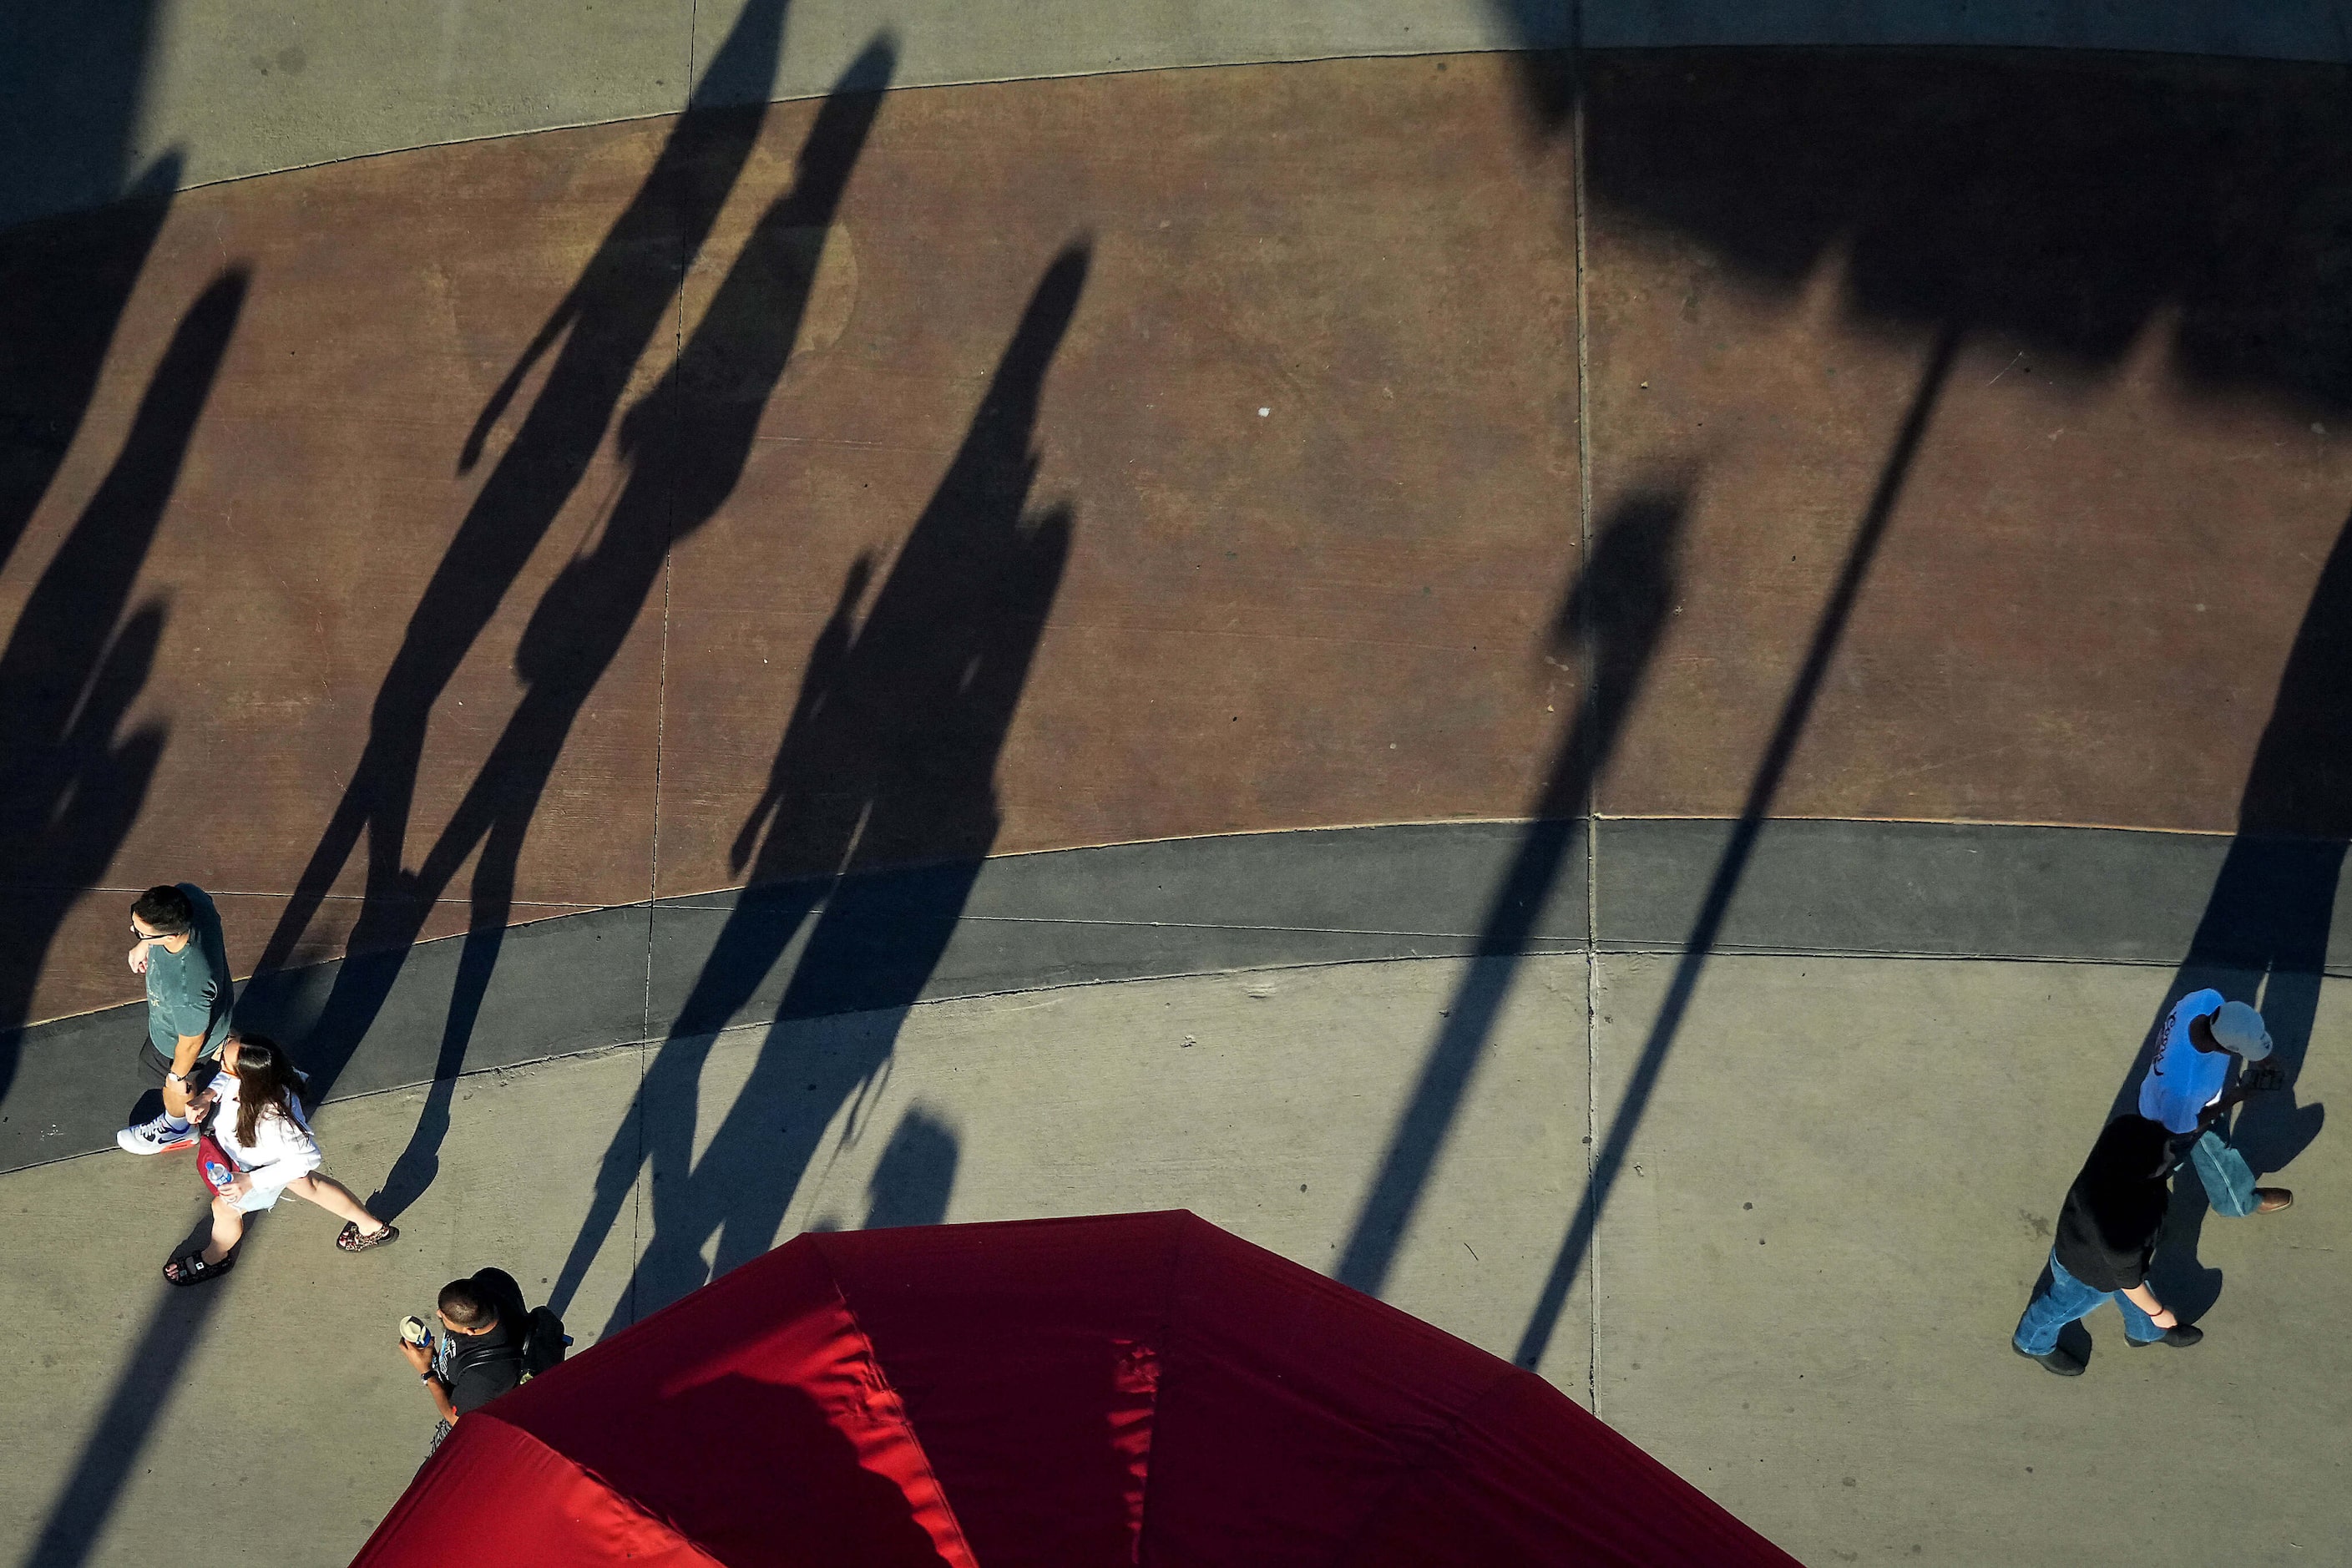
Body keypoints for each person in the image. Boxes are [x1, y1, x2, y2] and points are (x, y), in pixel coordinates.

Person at [161, 1033, 398, 1286]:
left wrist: (249, 1181)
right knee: (307, 1185)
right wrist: (207, 1096)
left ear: (247, 1079)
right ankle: (371, 1228)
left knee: (224, 1209)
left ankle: (214, 1257)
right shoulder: (260, 1075)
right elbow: (227, 1077)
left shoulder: (275, 1120)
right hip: (261, 1161)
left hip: (256, 1170)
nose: (220, 1064)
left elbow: (307, 1157)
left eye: (225, 1063)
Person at [2014, 1114, 2202, 1375]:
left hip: (2083, 1248)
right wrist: (2159, 1313)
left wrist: (2225, 1103)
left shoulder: (2111, 1160)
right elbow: (2130, 1282)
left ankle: (2144, 1332)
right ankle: (2031, 1342)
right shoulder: (2122, 1232)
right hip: (2087, 1273)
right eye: (2165, 1155)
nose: (2171, 1157)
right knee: (2064, 1304)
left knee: (2134, 1289)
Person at [2138, 989, 2293, 1216]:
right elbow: (2187, 1128)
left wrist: (2265, 1060)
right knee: (2155, 1171)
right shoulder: (2185, 1087)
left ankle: (2238, 1201)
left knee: (2220, 1149)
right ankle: (2141, 1212)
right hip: (2168, 1124)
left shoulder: (2206, 1000)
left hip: (2182, 1100)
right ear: (2223, 1048)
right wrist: (2234, 1098)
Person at [117, 883, 236, 1154]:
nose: (133, 931)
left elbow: (192, 1043)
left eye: (140, 931)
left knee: (174, 1083)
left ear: (169, 935)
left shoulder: (189, 987)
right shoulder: (190, 899)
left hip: (181, 1041)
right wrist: (144, 944)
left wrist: (176, 1076)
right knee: (153, 1065)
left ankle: (178, 1127)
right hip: (179, 1021)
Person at [400, 1270, 529, 1455]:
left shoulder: (486, 1376)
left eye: (444, 1316)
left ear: (469, 1330)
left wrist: (426, 1372)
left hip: (468, 1407)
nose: (437, 1313)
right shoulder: (493, 1279)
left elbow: (457, 1420)